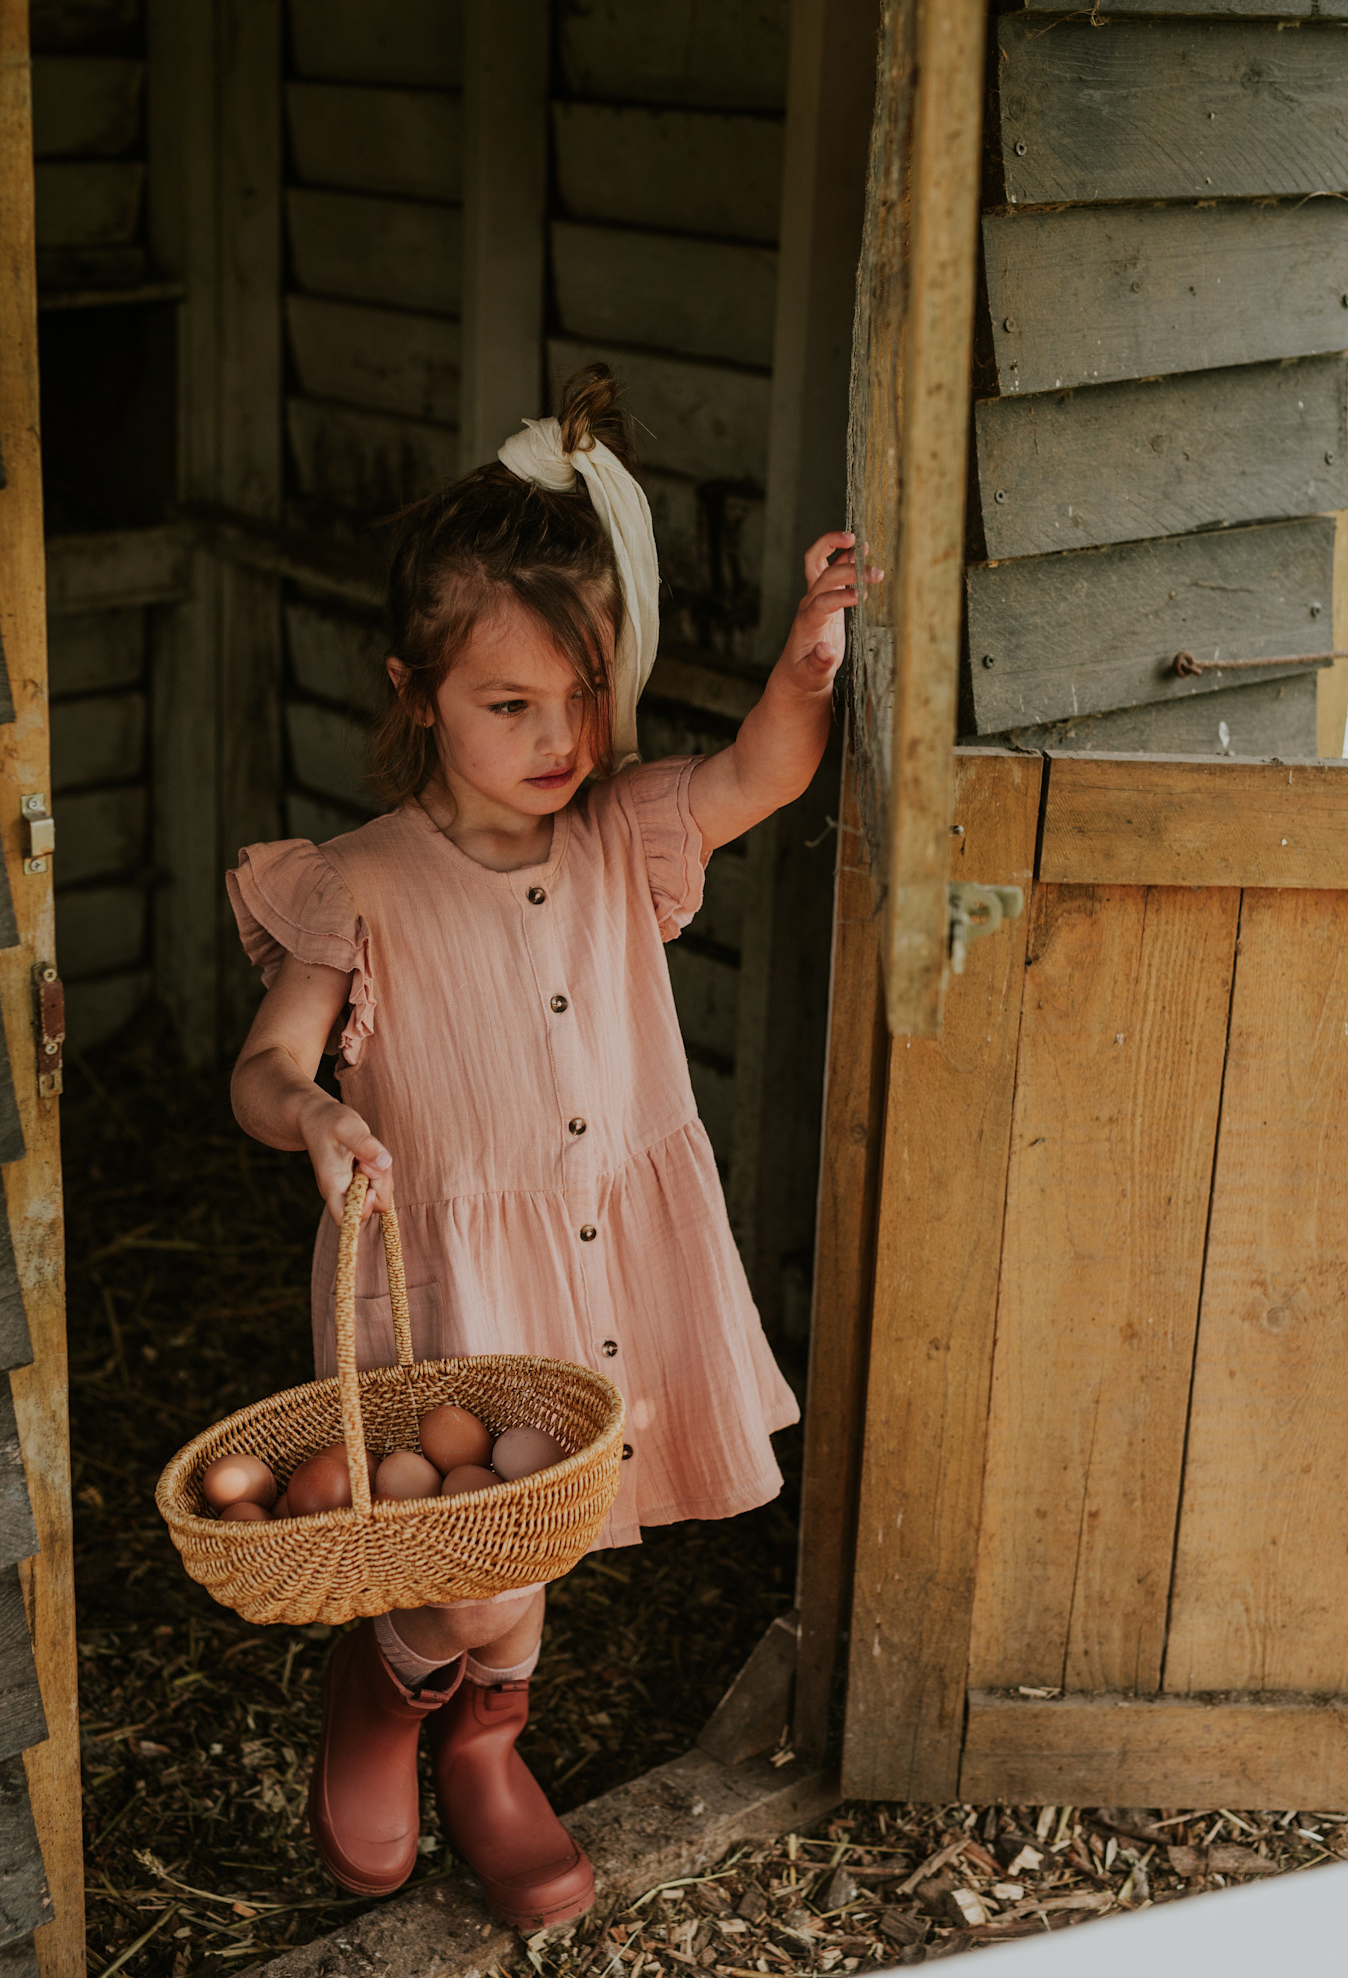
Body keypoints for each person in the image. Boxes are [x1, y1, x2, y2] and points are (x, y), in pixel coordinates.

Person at [227, 366, 874, 1928]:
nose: (555, 736)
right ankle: (395, 1695)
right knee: (482, 1543)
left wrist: (808, 660)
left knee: (543, 1528)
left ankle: (486, 1739)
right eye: (507, 705)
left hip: (601, 1249)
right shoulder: (357, 884)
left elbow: (764, 773)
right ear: (414, 693)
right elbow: (263, 1064)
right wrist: (315, 1110)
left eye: (580, 699)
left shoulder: (625, 834)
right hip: (458, 1278)